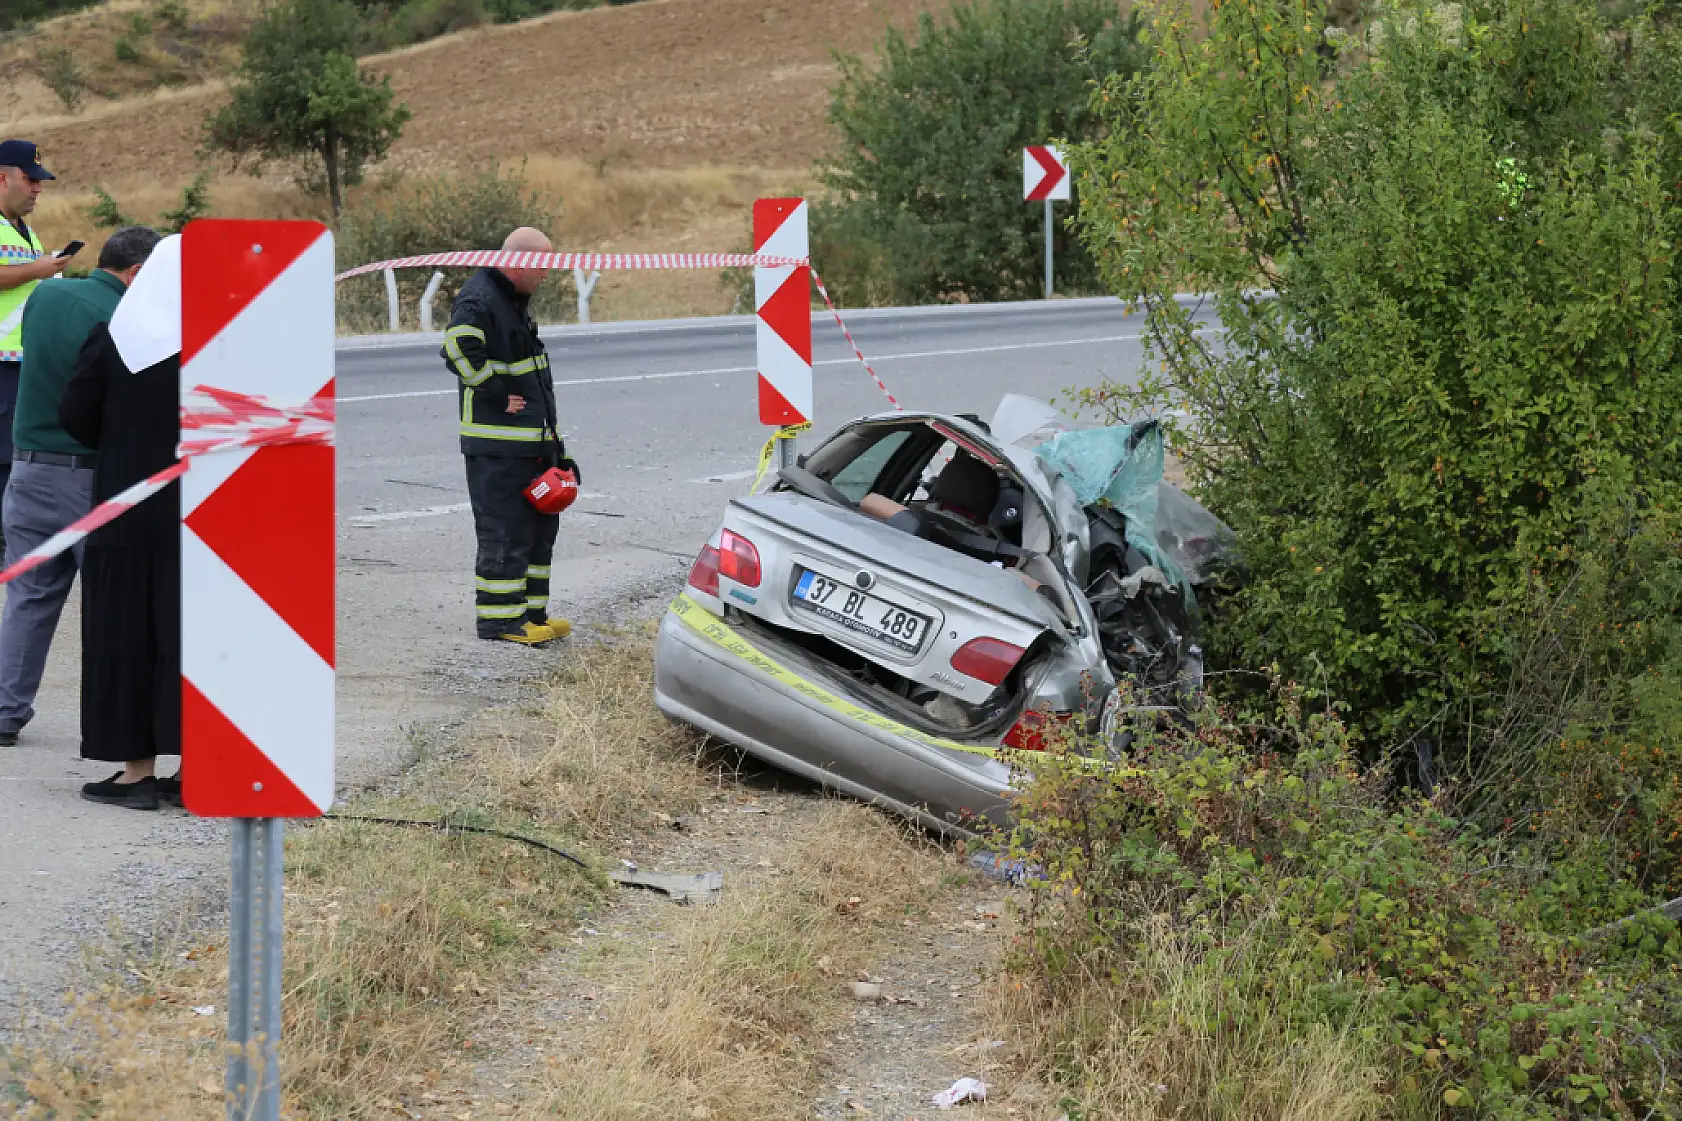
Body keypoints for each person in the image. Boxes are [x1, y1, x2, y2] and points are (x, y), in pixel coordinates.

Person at [0, 226, 162, 749]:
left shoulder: (46, 294)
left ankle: (4, 712)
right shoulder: (124, 319)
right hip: (88, 477)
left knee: (29, 596)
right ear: (136, 273)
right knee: (118, 604)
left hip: (26, 470)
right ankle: (126, 729)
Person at [58, 233, 182, 811]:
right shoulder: (221, 340)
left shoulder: (115, 337)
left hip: (127, 505)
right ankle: (201, 763)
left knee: (128, 631)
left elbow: (75, 415)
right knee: (191, 636)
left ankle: (138, 774)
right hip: (202, 512)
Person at [441, 226, 579, 645]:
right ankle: (501, 621)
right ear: (520, 261)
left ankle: (531, 612)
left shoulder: (511, 300)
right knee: (505, 531)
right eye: (544, 266)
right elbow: (458, 348)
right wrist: (498, 395)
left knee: (538, 530)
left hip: (530, 443)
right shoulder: (481, 298)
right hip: (497, 446)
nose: (548, 275)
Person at [0, 140, 73, 506]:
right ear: (3, 179)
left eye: (40, 182)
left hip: (24, 365)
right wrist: (38, 269)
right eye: (31, 180)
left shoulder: (25, 232)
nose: (38, 189)